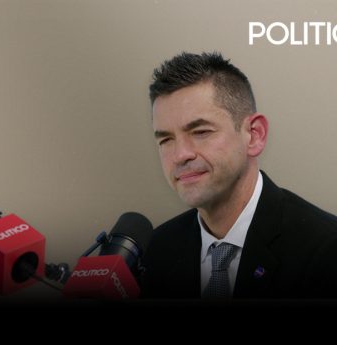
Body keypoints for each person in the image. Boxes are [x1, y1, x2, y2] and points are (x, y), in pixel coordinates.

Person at [140, 51, 337, 299]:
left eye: (201, 132)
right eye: (166, 140)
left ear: (254, 135)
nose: (180, 155)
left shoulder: (326, 251)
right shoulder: (157, 250)